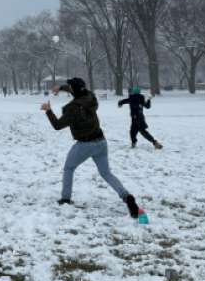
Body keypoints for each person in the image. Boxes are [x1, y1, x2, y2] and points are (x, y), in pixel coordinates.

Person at [41, 78, 141, 218]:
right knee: (106, 173)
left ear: (74, 89)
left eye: (70, 87)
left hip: (85, 144)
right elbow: (77, 89)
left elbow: (57, 125)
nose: (69, 89)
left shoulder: (73, 108)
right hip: (101, 142)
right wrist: (61, 87)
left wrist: (48, 111)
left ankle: (65, 198)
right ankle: (127, 196)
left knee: (69, 168)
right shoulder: (90, 97)